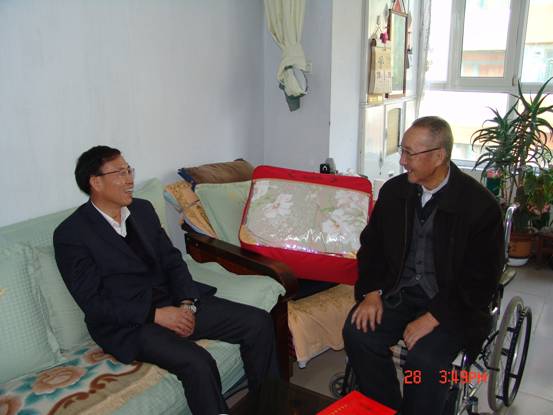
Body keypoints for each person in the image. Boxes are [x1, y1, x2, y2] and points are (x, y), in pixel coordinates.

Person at [54, 146, 278, 415]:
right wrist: (155, 315)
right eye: (120, 173)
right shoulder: (72, 234)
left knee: (258, 322)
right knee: (197, 361)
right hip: (130, 324)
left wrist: (186, 303)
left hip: (173, 301)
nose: (129, 179)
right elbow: (94, 303)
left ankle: (269, 407)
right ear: (96, 182)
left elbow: (172, 261)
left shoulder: (142, 210)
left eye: (129, 170)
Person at [342, 116, 504, 414]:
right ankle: (386, 407)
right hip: (398, 292)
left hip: (452, 302)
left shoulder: (479, 206)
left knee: (424, 360)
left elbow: (481, 279)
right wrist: (371, 292)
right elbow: (372, 246)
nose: (402, 161)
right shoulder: (394, 192)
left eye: (410, 153)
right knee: (357, 333)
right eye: (402, 151)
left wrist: (435, 316)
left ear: (439, 156)